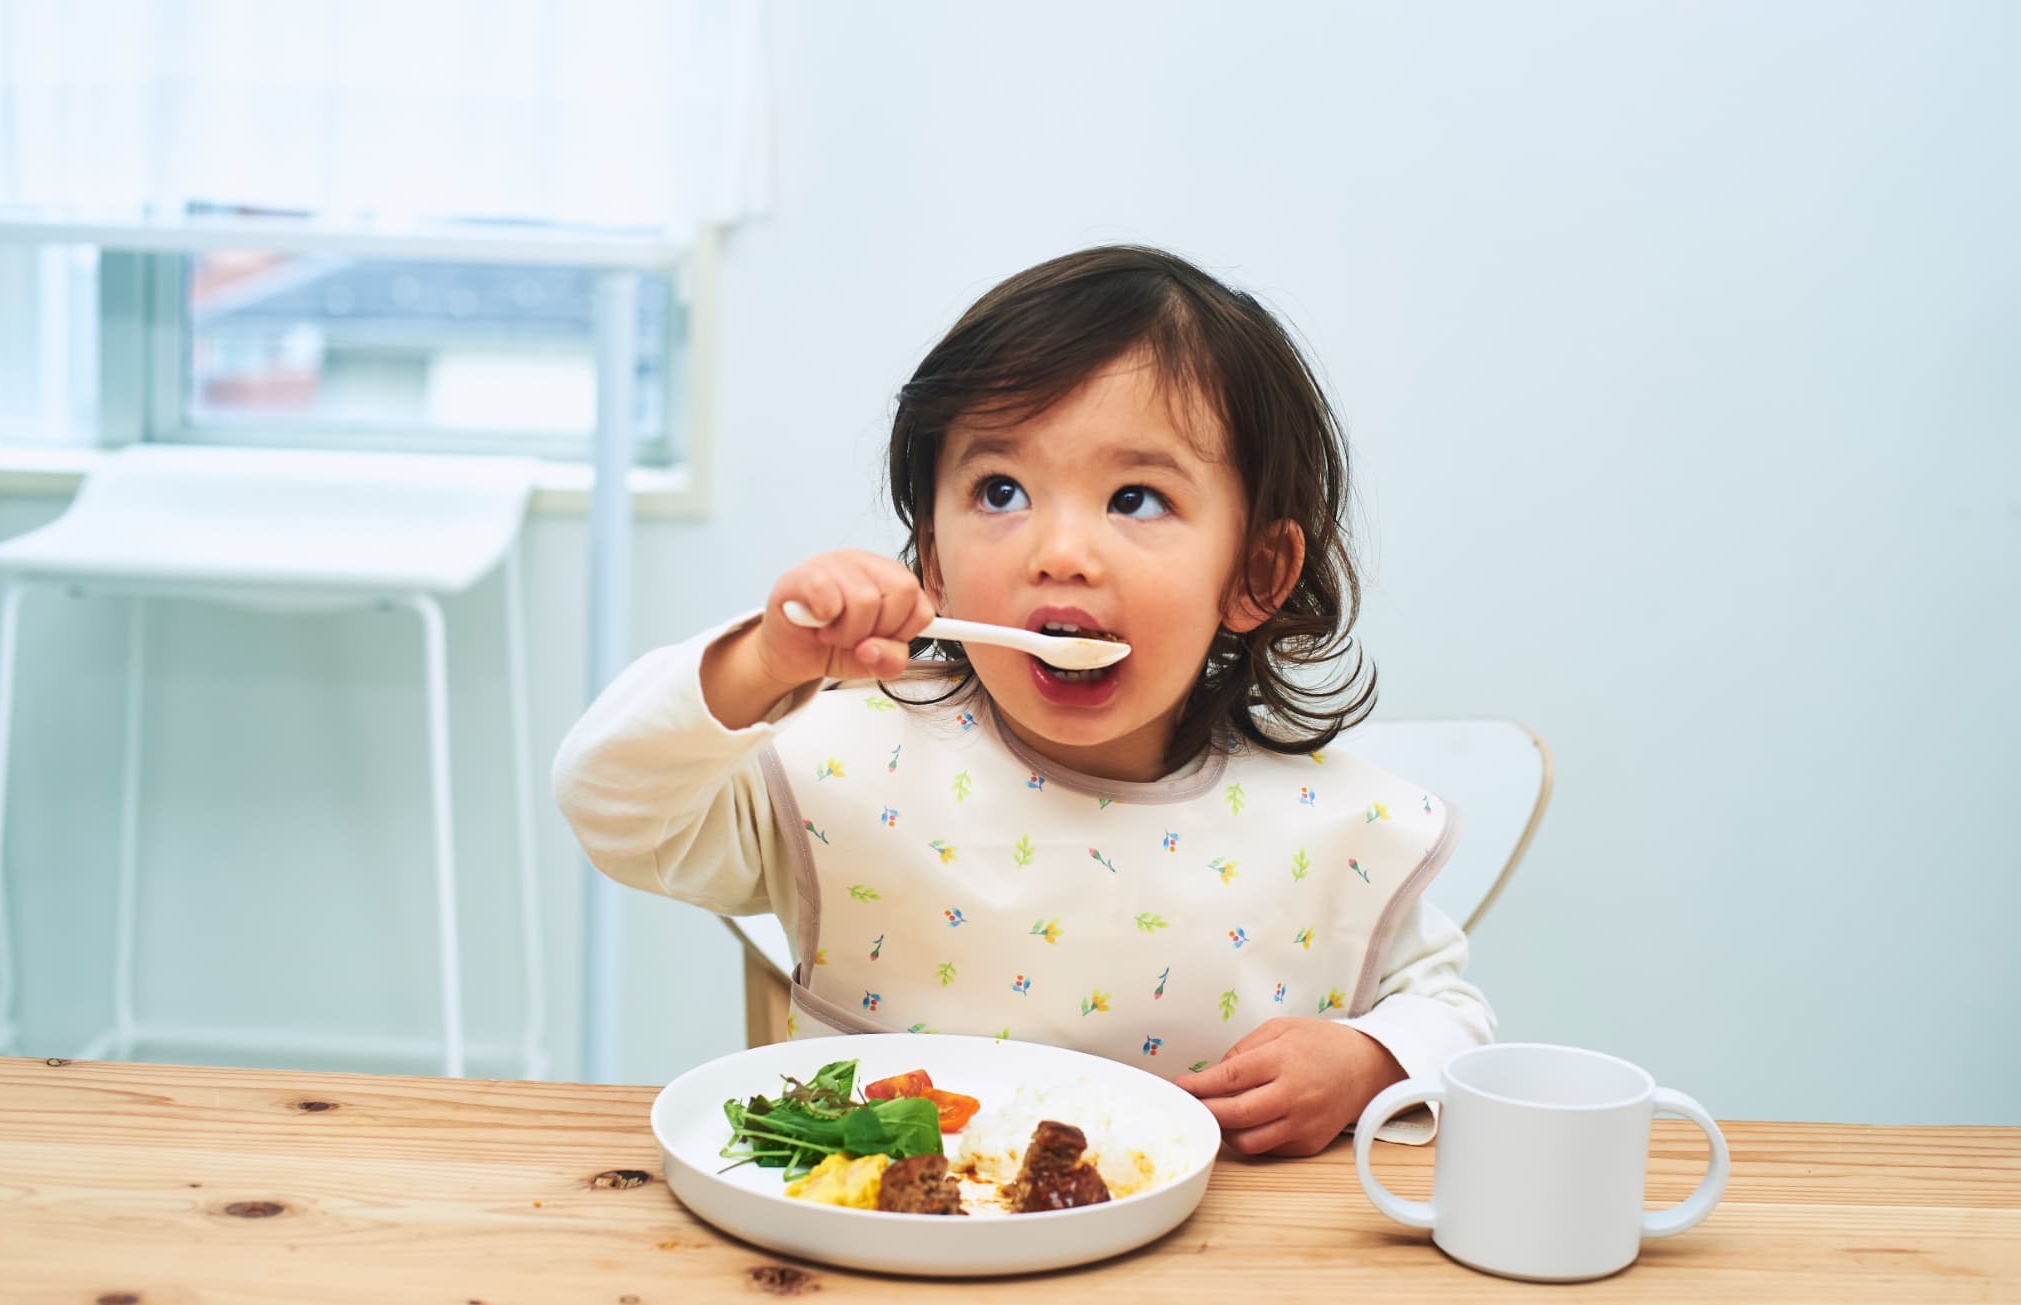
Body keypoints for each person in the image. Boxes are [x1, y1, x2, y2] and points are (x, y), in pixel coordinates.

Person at [553, 244, 1493, 1154]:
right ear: (933, 557)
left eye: (1136, 499)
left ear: (1256, 571)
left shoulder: (1330, 830)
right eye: (1000, 490)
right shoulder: (845, 762)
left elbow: (1454, 1023)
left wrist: (1371, 1060)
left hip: (1204, 1284)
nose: (1061, 551)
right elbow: (612, 803)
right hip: (882, 1259)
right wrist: (762, 660)